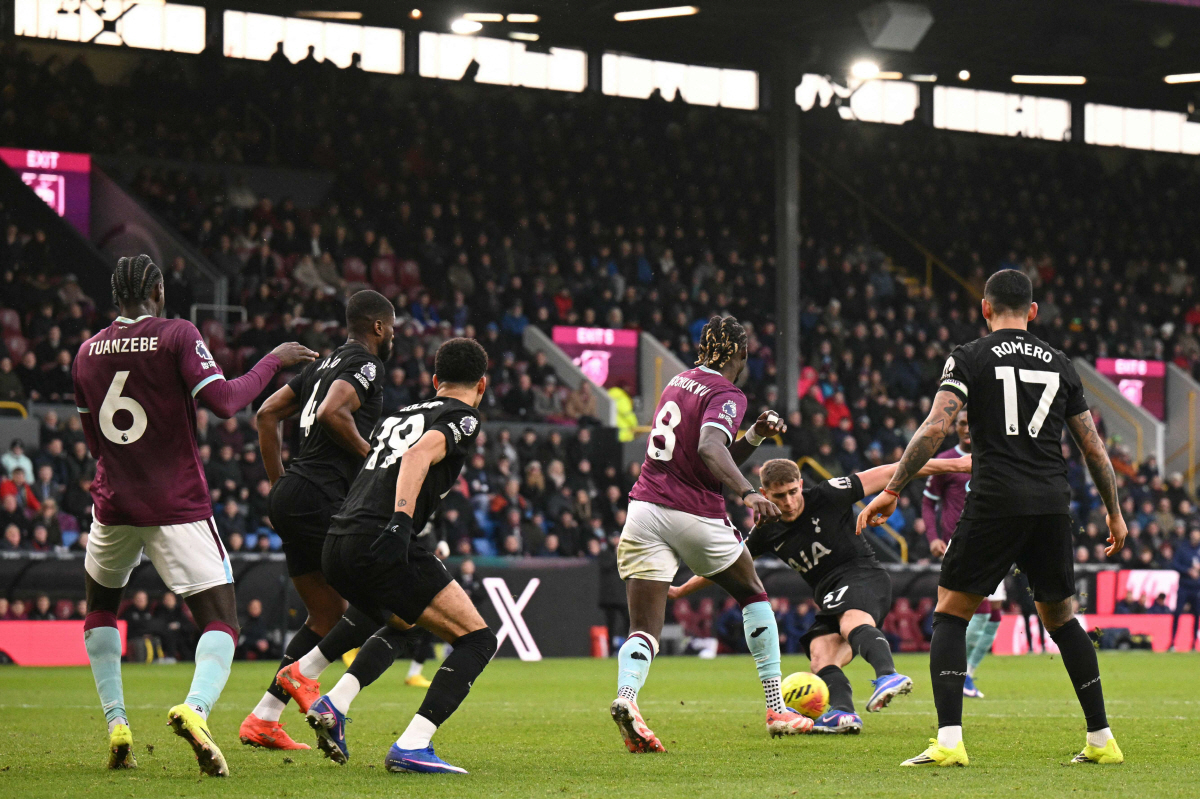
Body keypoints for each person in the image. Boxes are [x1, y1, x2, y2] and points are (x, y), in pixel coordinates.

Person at [859, 269, 1127, 767]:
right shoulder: (1061, 363)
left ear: (985, 308)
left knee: (949, 613)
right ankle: (1101, 738)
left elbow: (937, 426)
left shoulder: (970, 356)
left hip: (996, 500)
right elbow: (1093, 447)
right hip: (1050, 503)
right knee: (1062, 618)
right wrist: (1114, 513)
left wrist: (894, 487)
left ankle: (949, 741)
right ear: (1033, 312)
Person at [71, 254, 316, 775]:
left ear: (117, 297)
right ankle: (196, 711)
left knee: (100, 608)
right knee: (221, 620)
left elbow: (93, 439)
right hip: (176, 504)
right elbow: (226, 402)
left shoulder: (86, 352)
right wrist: (273, 360)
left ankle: (116, 721)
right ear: (157, 291)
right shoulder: (177, 334)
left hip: (113, 503)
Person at [279, 338, 497, 774]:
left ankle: (326, 694)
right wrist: (400, 523)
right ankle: (413, 744)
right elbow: (418, 456)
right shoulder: (463, 416)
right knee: (477, 640)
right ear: (482, 385)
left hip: (338, 539)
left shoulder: (400, 413)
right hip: (381, 537)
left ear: (435, 381)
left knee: (403, 621)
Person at [612, 315, 803, 755]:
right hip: (692, 513)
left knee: (644, 628)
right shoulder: (727, 392)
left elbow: (709, 454)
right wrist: (749, 492)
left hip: (643, 510)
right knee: (753, 593)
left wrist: (754, 432)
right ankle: (777, 709)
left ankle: (627, 699)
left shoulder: (678, 381)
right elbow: (709, 450)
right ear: (740, 353)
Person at [671, 454, 970, 733]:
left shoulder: (829, 493)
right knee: (820, 654)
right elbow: (727, 563)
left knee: (850, 623)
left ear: (801, 485)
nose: (788, 502)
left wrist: (956, 465)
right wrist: (682, 589)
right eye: (778, 496)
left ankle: (887, 675)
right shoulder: (767, 530)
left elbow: (896, 469)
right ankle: (843, 712)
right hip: (829, 595)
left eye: (792, 491)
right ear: (763, 494)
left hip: (862, 576)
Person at [239, 290, 394, 751]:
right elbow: (332, 413)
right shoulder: (366, 365)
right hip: (322, 495)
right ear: (379, 329)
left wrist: (279, 485)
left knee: (326, 615)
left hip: (293, 493)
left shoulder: (318, 367)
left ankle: (264, 717)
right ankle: (308, 679)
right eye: (393, 330)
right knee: (378, 603)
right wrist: (374, 461)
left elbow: (266, 414)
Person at [920, 409, 1001, 699]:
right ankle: (958, 675)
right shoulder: (945, 461)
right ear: (955, 427)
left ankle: (969, 674)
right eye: (962, 423)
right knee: (976, 611)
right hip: (960, 545)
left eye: (972, 422)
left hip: (995, 544)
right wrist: (933, 538)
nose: (967, 428)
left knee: (995, 614)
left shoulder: (996, 455)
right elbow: (928, 503)